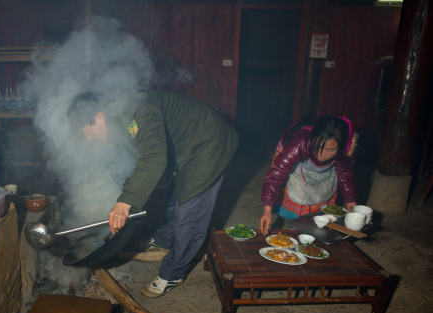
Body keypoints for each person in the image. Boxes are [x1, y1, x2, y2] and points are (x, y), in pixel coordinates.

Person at [68, 90, 239, 298]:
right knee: (172, 198)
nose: (88, 139)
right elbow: (128, 163)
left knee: (190, 213)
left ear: (99, 117)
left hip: (207, 144)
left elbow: (154, 157)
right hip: (183, 148)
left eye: (86, 132)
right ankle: (164, 239)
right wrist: (96, 200)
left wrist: (125, 202)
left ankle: (173, 273)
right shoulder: (118, 117)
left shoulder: (138, 112)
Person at [259, 115, 357, 235]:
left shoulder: (345, 150)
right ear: (313, 138)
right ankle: (294, 227)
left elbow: (346, 173)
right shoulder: (299, 142)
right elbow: (276, 174)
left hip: (325, 170)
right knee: (299, 196)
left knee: (321, 196)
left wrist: (350, 199)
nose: (322, 154)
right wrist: (267, 210)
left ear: (341, 147)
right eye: (319, 146)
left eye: (330, 150)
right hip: (299, 163)